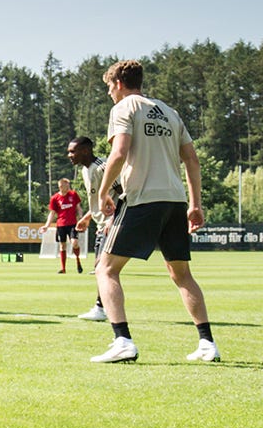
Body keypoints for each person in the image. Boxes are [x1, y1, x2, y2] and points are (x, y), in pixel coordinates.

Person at [90, 59, 218, 363]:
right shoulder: (171, 113)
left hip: (142, 200)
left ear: (119, 83)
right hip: (175, 201)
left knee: (105, 269)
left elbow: (119, 152)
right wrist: (195, 205)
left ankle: (122, 340)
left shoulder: (124, 108)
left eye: (109, 86)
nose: (109, 93)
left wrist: (103, 191)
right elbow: (192, 160)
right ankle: (207, 344)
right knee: (182, 274)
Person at [67, 136, 115, 320]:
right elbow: (99, 199)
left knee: (102, 267)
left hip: (113, 224)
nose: (69, 155)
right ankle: (102, 307)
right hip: (102, 224)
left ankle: (101, 308)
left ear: (86, 151)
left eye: (73, 151)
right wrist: (88, 217)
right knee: (102, 268)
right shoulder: (85, 171)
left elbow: (122, 192)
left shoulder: (102, 167)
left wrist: (113, 219)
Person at [42, 177, 85, 274]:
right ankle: (63, 268)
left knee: (74, 243)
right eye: (66, 185)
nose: (68, 187)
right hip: (61, 225)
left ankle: (78, 261)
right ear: (61, 186)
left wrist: (81, 218)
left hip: (73, 224)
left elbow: (78, 208)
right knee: (62, 245)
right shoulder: (55, 198)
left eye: (68, 185)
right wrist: (46, 225)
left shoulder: (73, 195)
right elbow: (52, 213)